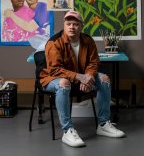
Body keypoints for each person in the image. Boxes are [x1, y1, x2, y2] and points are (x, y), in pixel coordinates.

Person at [40, 10, 125, 148]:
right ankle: (67, 130)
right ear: (64, 24)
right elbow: (55, 70)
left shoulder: (87, 40)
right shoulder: (54, 42)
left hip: (81, 76)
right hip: (52, 78)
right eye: (68, 24)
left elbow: (93, 63)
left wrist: (89, 77)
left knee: (104, 78)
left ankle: (103, 124)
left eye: (75, 24)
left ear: (81, 26)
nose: (72, 27)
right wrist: (80, 77)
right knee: (63, 83)